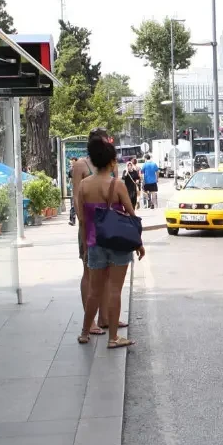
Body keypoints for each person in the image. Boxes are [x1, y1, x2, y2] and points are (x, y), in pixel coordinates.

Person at [75, 135, 144, 348]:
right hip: (119, 243)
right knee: (114, 289)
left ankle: (85, 332)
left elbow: (83, 220)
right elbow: (132, 216)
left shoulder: (84, 186)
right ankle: (113, 338)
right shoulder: (119, 185)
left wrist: (86, 247)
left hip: (95, 243)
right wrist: (139, 243)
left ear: (93, 161)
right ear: (113, 161)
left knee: (94, 290)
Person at [71, 128, 125, 335]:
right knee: (90, 272)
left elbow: (116, 189)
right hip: (91, 226)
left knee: (110, 273)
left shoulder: (110, 163)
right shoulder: (80, 166)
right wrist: (83, 224)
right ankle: (91, 321)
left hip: (111, 226)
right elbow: (77, 197)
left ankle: (106, 318)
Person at [67, 157, 80, 226]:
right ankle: (72, 220)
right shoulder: (70, 170)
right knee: (73, 205)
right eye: (70, 162)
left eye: (72, 162)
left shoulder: (81, 170)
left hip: (81, 189)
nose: (71, 164)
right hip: (74, 189)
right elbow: (70, 180)